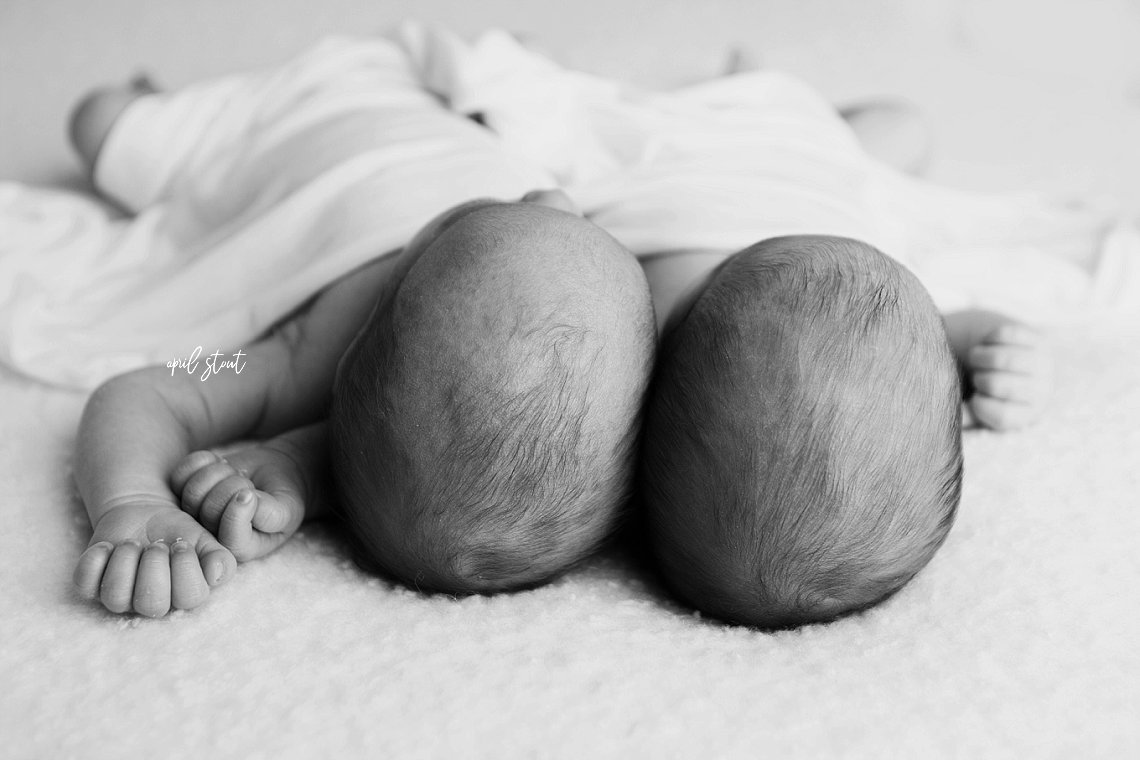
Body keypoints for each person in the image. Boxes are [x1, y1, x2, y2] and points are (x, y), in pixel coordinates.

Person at [68, 51, 655, 618]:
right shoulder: (557, 312)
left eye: (495, 216)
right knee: (525, 83)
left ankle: (159, 105)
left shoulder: (302, 359)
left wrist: (132, 501)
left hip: (302, 113)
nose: (556, 195)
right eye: (587, 229)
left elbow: (147, 395)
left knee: (98, 119)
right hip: (459, 115)